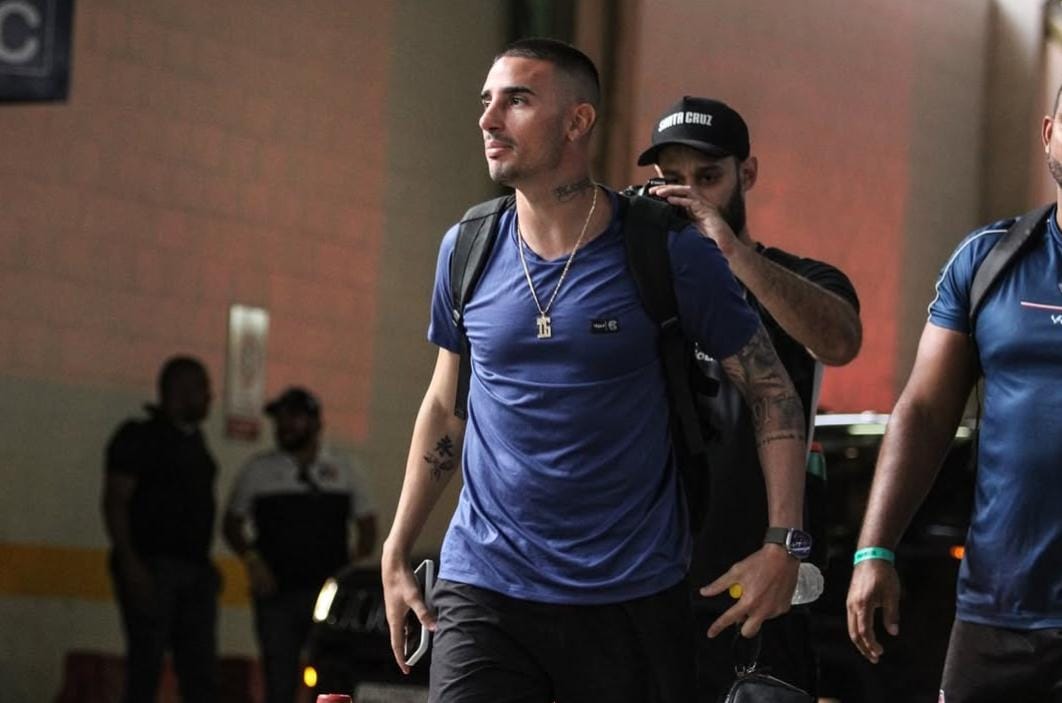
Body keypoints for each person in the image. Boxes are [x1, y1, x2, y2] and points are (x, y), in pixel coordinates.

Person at [381, 38, 810, 703]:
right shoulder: (466, 248)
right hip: (485, 585)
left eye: (517, 101)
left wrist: (783, 542)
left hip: (629, 592)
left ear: (578, 121)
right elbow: (445, 407)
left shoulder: (664, 249)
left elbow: (771, 389)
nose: (488, 119)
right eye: (486, 101)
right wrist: (397, 546)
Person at [638, 96, 862, 700]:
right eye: (672, 180)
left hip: (756, 583)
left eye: (708, 177)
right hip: (642, 581)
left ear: (748, 174)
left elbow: (840, 342)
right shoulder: (637, 283)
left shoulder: (801, 278)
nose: (690, 195)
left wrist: (729, 254)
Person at [846, 90, 1062, 702]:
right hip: (999, 608)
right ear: (1049, 133)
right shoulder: (990, 259)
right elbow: (923, 412)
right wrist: (873, 549)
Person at [223, 386, 377, 703]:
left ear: (315, 422)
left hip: (329, 600)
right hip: (276, 596)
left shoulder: (344, 469)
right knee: (279, 681)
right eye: (280, 419)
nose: (284, 426)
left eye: (293, 417)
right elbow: (231, 524)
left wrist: (349, 574)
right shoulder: (258, 470)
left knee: (332, 680)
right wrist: (252, 561)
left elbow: (367, 526)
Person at [102, 355, 219, 703]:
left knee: (200, 671)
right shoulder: (139, 438)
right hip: (153, 568)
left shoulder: (195, 442)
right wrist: (131, 564)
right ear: (180, 391)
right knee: (146, 666)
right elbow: (115, 501)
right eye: (202, 389)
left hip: (193, 571)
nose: (209, 398)